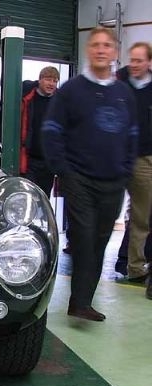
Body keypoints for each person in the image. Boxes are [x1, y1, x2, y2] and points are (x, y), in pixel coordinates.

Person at [42, 26, 138, 321]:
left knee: (99, 241)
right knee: (83, 239)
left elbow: (132, 134)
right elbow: (51, 131)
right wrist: (64, 171)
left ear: (115, 52)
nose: (101, 49)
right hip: (79, 179)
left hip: (113, 182)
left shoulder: (123, 94)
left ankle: (82, 302)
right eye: (95, 44)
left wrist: (126, 171)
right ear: (88, 50)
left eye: (107, 45)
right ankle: (80, 302)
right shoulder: (71, 91)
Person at [113, 42, 152, 300]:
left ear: (149, 62)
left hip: (146, 157)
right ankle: (134, 266)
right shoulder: (121, 84)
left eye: (140, 60)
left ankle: (135, 265)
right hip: (130, 157)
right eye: (133, 60)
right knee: (139, 216)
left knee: (141, 215)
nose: (135, 64)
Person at [20, 66, 60, 198]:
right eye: (48, 79)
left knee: (43, 199)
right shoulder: (27, 97)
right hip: (29, 160)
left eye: (55, 81)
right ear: (40, 80)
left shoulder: (60, 102)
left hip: (49, 162)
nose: (51, 84)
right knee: (27, 197)